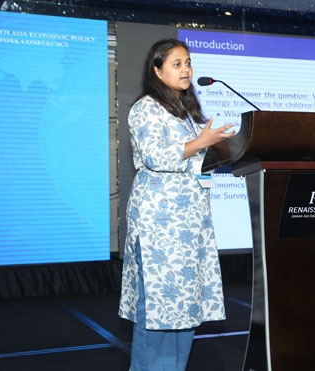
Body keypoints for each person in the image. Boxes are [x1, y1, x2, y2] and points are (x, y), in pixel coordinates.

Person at [118, 38, 235, 371]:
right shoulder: (145, 108)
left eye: (188, 62)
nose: (186, 69)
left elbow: (198, 157)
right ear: (157, 70)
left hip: (189, 227)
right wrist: (202, 142)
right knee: (157, 310)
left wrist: (225, 148)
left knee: (185, 310)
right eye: (177, 64)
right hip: (159, 227)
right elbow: (156, 156)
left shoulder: (186, 112)